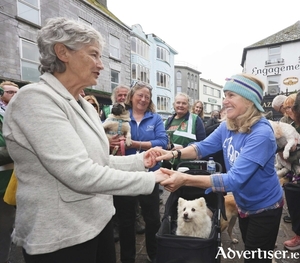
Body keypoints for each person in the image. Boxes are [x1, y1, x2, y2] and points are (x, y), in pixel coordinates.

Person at [2, 17, 168, 263]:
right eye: (94, 55)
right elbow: (79, 172)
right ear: (62, 52)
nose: (101, 65)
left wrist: (141, 161)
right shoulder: (35, 99)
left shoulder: (84, 106)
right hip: (61, 237)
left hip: (96, 224)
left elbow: (98, 161)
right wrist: (150, 178)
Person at [156, 73, 283, 263]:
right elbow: (203, 147)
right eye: (225, 96)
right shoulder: (229, 125)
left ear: (249, 100)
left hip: (265, 208)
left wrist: (185, 179)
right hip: (244, 204)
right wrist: (174, 153)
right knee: (251, 251)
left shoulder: (261, 134)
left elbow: (233, 180)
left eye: (231, 95)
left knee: (256, 258)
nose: (225, 101)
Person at [113, 80, 168, 263]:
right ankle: (127, 259)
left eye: (147, 96)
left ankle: (154, 255)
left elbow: (163, 142)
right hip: (124, 173)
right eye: (140, 95)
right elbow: (107, 135)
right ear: (131, 96)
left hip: (149, 174)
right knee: (126, 220)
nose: (143, 99)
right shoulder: (121, 115)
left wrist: (137, 145)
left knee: (152, 219)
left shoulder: (155, 118)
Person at [0, 80, 19, 263]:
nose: (15, 95)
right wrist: (20, 148)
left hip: (10, 183)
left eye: (16, 92)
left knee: (5, 231)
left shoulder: (13, 114)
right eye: (10, 92)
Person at [164, 92, 206, 169]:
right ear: (174, 105)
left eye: (184, 103)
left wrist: (184, 147)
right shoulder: (167, 121)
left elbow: (202, 143)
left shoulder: (195, 120)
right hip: (168, 166)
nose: (180, 105)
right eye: (178, 103)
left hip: (187, 166)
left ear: (188, 106)